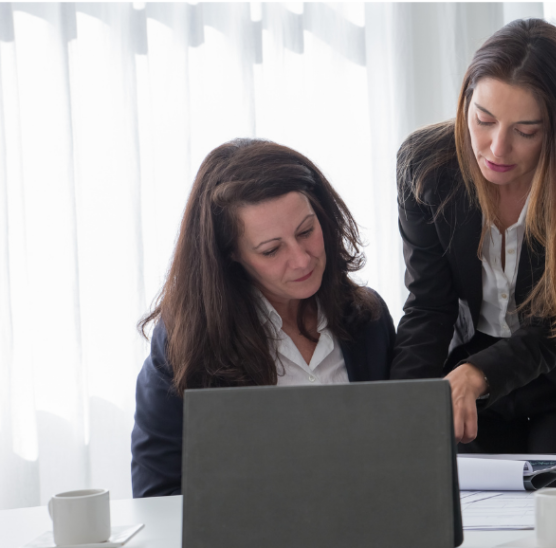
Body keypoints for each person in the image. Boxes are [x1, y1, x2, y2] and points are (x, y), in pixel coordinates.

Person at [391, 18, 556, 487]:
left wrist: (478, 373)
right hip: (475, 367)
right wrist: (401, 407)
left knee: (555, 511)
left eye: (525, 131)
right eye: (483, 120)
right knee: (479, 508)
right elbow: (428, 303)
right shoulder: (425, 166)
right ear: (466, 101)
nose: (496, 148)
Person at [131, 139, 394, 497]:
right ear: (231, 255)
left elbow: (399, 452)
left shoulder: (367, 317)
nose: (301, 260)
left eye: (306, 231)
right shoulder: (185, 342)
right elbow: (157, 494)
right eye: (271, 250)